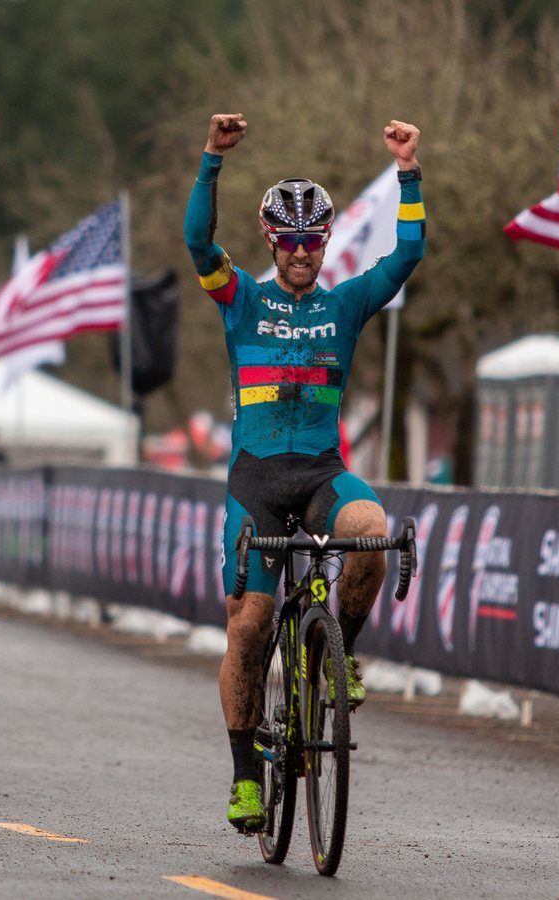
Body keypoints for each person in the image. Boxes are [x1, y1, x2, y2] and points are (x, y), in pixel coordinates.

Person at [184, 112, 425, 831]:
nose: (299, 252)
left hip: (320, 472)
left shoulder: (344, 302)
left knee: (371, 534)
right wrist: (211, 160)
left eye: (310, 241)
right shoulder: (242, 300)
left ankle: (339, 654)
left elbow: (406, 254)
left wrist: (407, 173)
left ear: (323, 242)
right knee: (250, 624)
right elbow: (197, 241)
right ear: (271, 241)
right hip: (255, 481)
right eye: (288, 241)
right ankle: (244, 777)